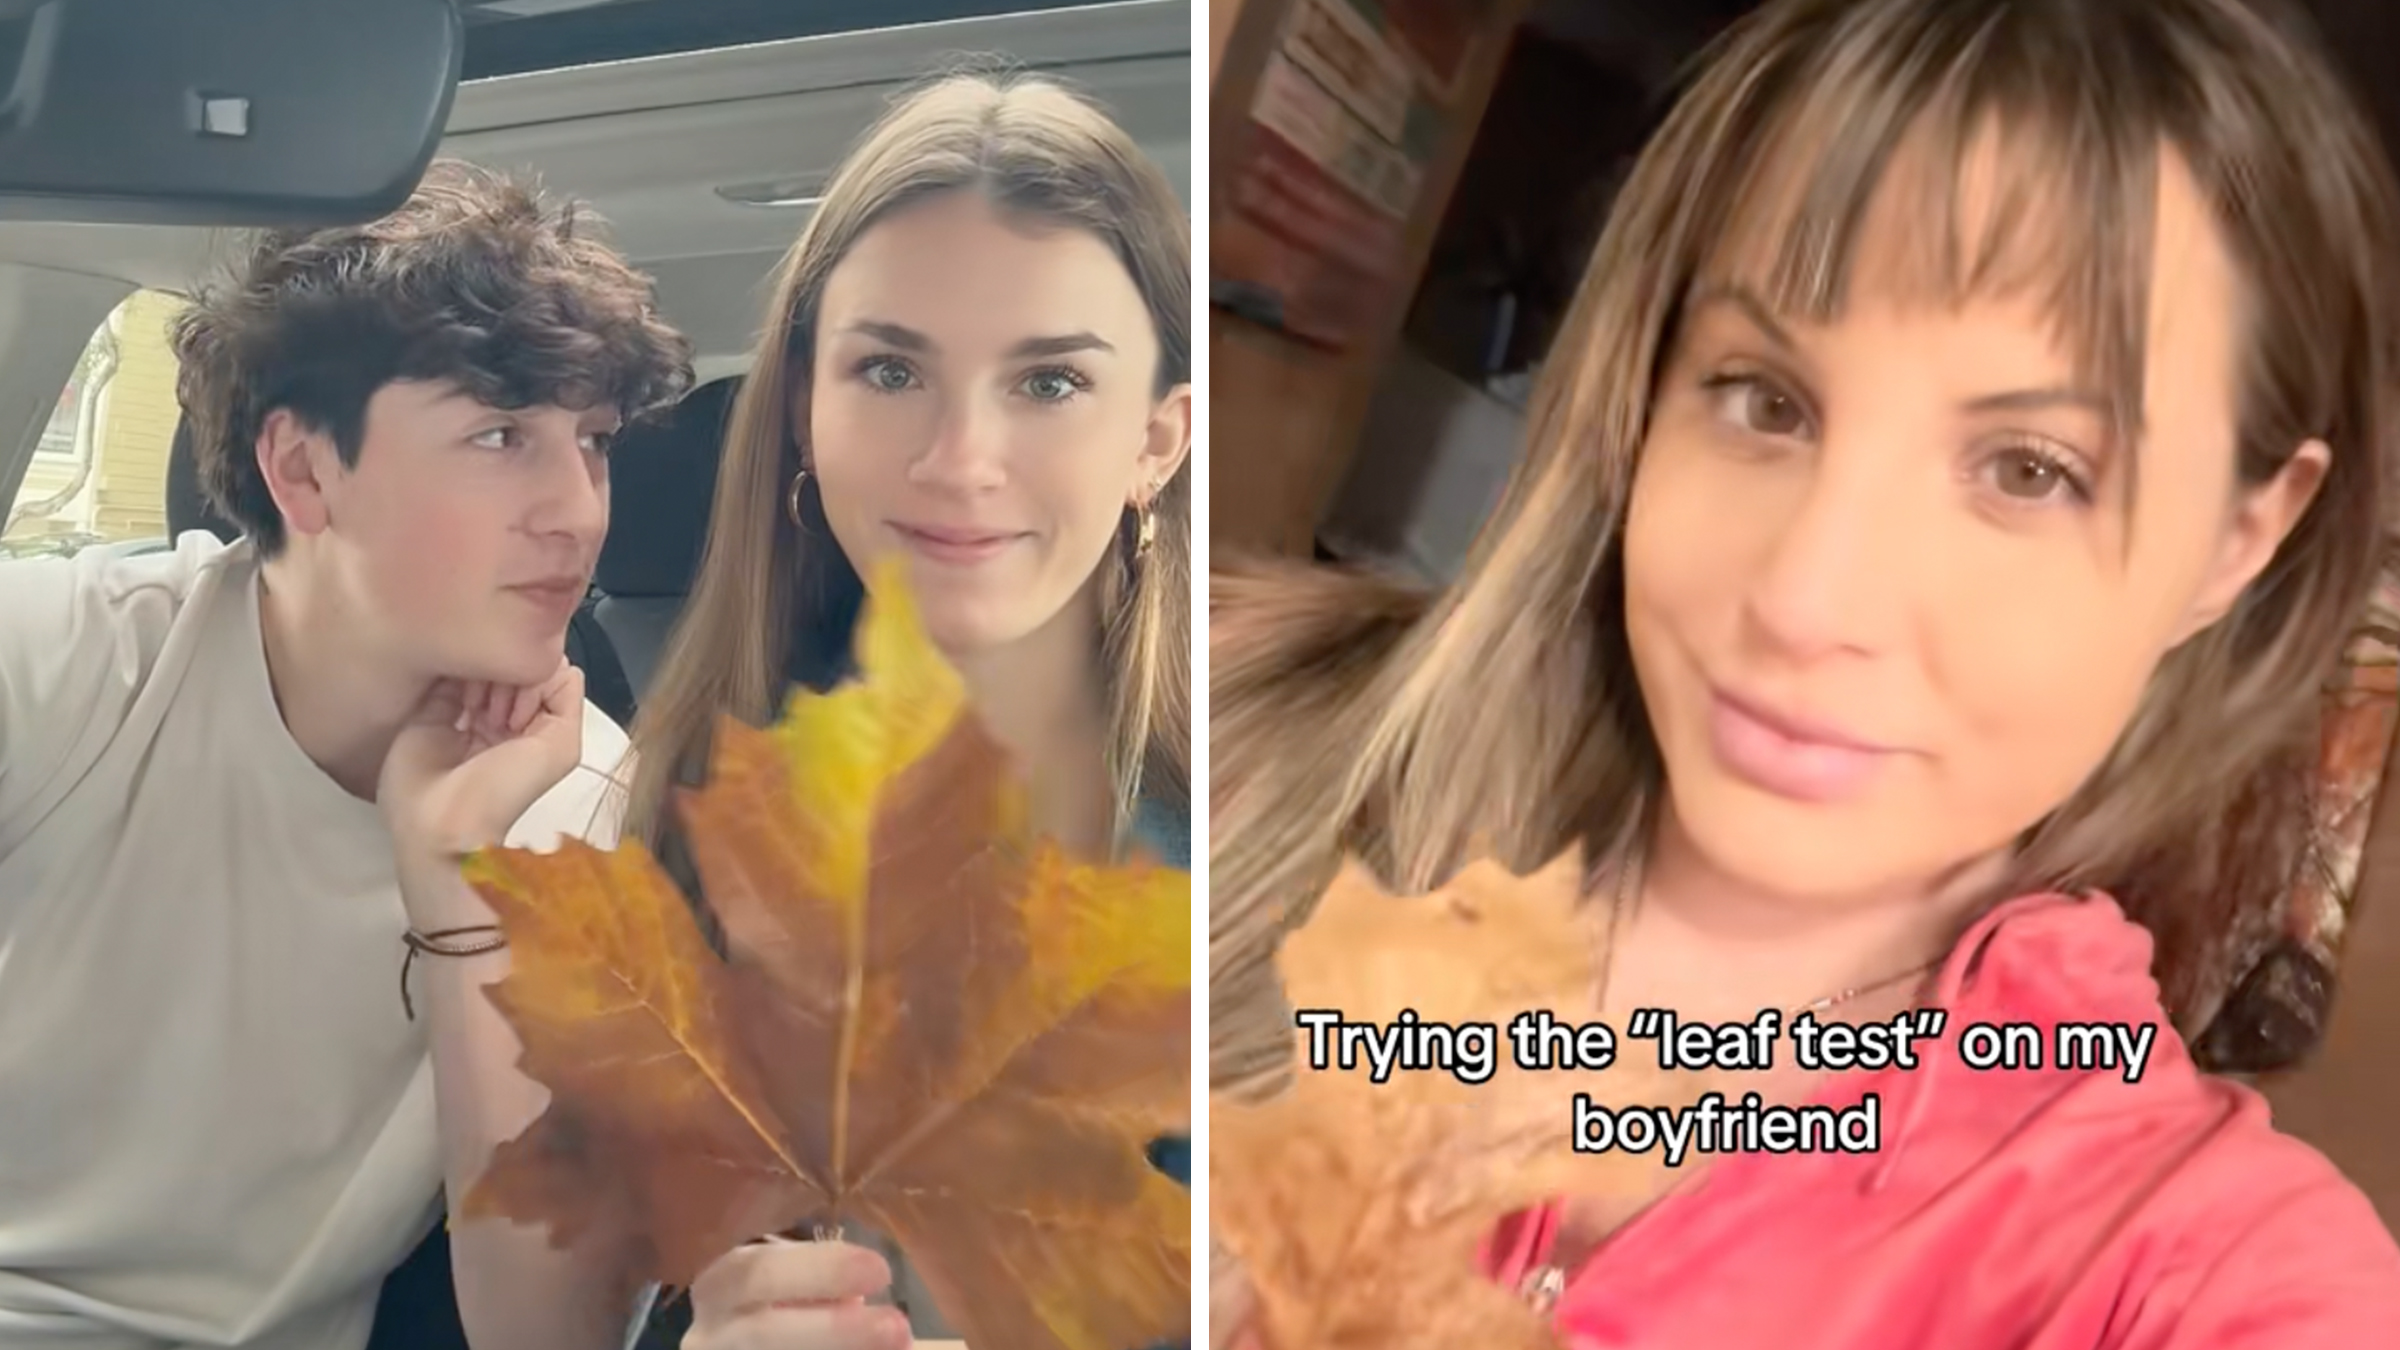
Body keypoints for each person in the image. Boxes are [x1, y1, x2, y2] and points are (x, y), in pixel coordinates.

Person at [1209, 0, 2400, 1346]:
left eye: (2028, 470)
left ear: (2238, 542)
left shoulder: (2185, 1265)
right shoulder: (1212, 741)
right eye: (1764, 398)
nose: (1802, 596)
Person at [0, 161, 692, 1350]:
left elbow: (550, 1338)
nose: (578, 510)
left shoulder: (584, 802)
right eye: (499, 434)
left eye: (594, 444)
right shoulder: (57, 661)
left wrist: (460, 883)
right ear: (304, 470)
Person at [627, 66, 1194, 1347]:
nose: (959, 462)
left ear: (1157, 443)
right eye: (890, 372)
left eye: (1049, 382)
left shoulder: (1263, 840)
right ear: (805, 415)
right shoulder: (685, 808)